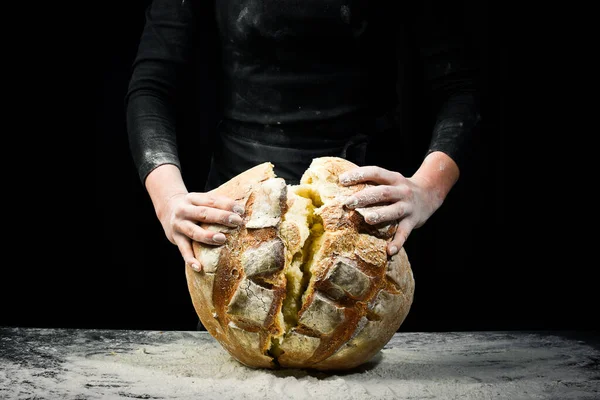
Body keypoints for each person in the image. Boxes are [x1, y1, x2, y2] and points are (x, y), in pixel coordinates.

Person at [125, 1, 482, 274]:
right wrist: (169, 198)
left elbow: (461, 90)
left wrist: (426, 190)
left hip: (370, 215)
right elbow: (152, 89)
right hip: (239, 218)